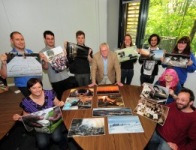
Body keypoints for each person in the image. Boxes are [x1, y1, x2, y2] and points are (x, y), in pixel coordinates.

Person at [12, 78, 67, 150]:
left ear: (42, 86)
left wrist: (61, 103)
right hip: (39, 126)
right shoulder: (26, 102)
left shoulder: (50, 93)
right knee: (42, 143)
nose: (37, 90)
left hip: (53, 121)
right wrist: (19, 118)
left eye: (39, 87)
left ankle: (64, 146)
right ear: (29, 89)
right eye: (34, 88)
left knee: (57, 137)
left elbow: (57, 103)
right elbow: (26, 117)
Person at [0, 31, 41, 97]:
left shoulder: (30, 52)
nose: (21, 42)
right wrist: (3, 63)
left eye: (22, 39)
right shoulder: (9, 56)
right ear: (11, 41)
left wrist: (42, 60)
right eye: (17, 39)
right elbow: (4, 76)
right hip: (24, 88)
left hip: (37, 85)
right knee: (30, 106)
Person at [40, 30, 78, 100]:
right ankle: (63, 111)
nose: (50, 41)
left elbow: (66, 64)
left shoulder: (59, 49)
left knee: (70, 96)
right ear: (45, 40)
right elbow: (45, 68)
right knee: (60, 98)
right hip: (55, 80)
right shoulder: (42, 52)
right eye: (48, 39)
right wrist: (45, 61)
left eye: (52, 39)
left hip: (65, 77)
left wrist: (66, 55)